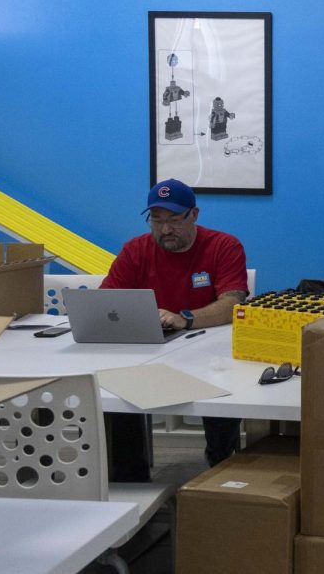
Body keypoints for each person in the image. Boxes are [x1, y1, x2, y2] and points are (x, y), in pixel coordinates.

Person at [100, 178, 249, 480]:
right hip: (146, 355)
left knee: (224, 399)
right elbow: (105, 302)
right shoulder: (135, 250)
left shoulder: (223, 246)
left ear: (194, 215)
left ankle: (221, 471)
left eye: (174, 220)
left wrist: (185, 318)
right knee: (113, 396)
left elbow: (233, 303)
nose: (165, 229)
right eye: (157, 220)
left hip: (209, 355)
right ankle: (130, 483)